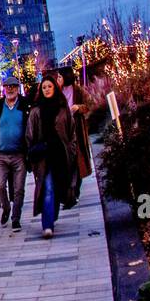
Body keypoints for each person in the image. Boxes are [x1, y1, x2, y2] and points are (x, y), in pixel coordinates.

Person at [25, 75, 77, 239]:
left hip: (61, 155)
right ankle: (47, 225)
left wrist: (71, 150)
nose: (47, 89)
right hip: (43, 158)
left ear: (55, 88)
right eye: (44, 87)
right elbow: (29, 136)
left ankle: (52, 215)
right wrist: (31, 154)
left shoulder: (63, 109)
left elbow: (71, 132)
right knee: (47, 187)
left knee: (56, 187)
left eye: (49, 86)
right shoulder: (36, 111)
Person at [0, 76, 30, 231]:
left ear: (18, 88)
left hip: (19, 155)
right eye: (7, 87)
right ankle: (6, 208)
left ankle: (16, 218)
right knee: (0, 186)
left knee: (18, 189)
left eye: (13, 86)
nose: (10, 89)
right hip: (0, 156)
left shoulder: (24, 104)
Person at [57, 68, 94, 202]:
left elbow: (89, 104)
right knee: (65, 161)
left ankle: (75, 189)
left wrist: (78, 107)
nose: (58, 79)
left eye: (60, 76)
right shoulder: (57, 91)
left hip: (76, 129)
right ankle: (68, 190)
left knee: (77, 160)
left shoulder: (77, 90)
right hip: (61, 131)